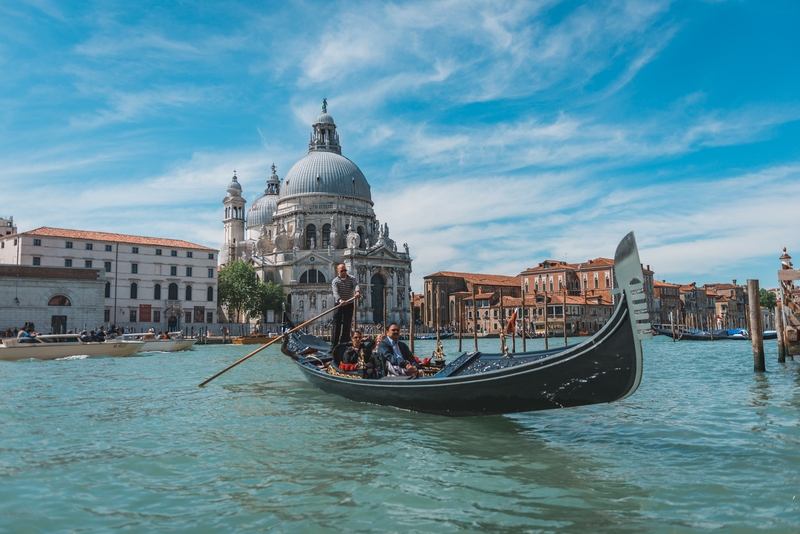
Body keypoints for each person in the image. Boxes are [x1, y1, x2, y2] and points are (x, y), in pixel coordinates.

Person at [330, 263, 360, 351]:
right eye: (342, 271)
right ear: (338, 271)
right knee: (337, 325)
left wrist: (357, 291)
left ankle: (344, 345)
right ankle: (334, 346)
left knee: (347, 325)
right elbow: (335, 293)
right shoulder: (335, 281)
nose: (344, 272)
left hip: (349, 304)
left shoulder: (351, 278)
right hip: (339, 305)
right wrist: (340, 300)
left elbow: (356, 285)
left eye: (345, 270)